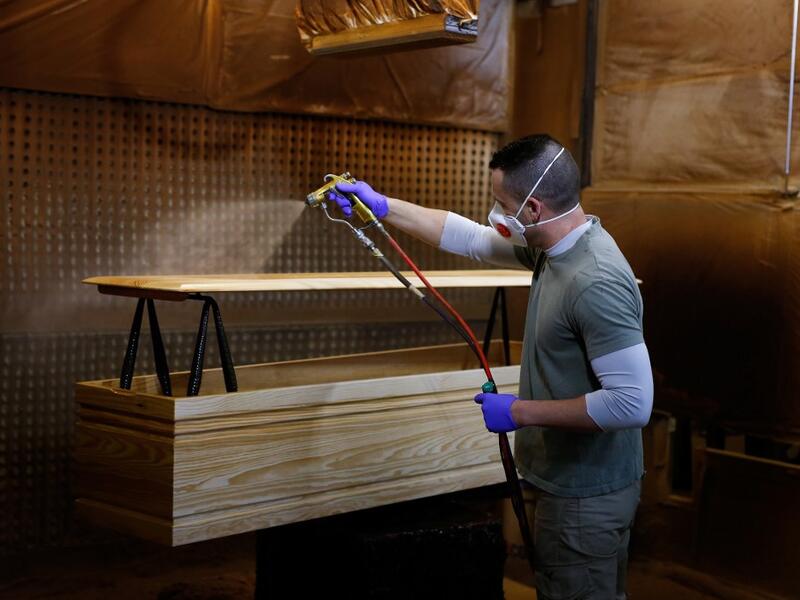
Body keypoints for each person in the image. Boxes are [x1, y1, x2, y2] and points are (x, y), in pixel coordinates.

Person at [327, 134, 653, 600]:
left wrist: (519, 412)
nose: (495, 215)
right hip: (569, 483)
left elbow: (632, 403)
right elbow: (472, 239)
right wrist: (381, 207)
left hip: (586, 495)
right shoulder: (554, 247)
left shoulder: (595, 280)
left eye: (502, 204)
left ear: (535, 209)